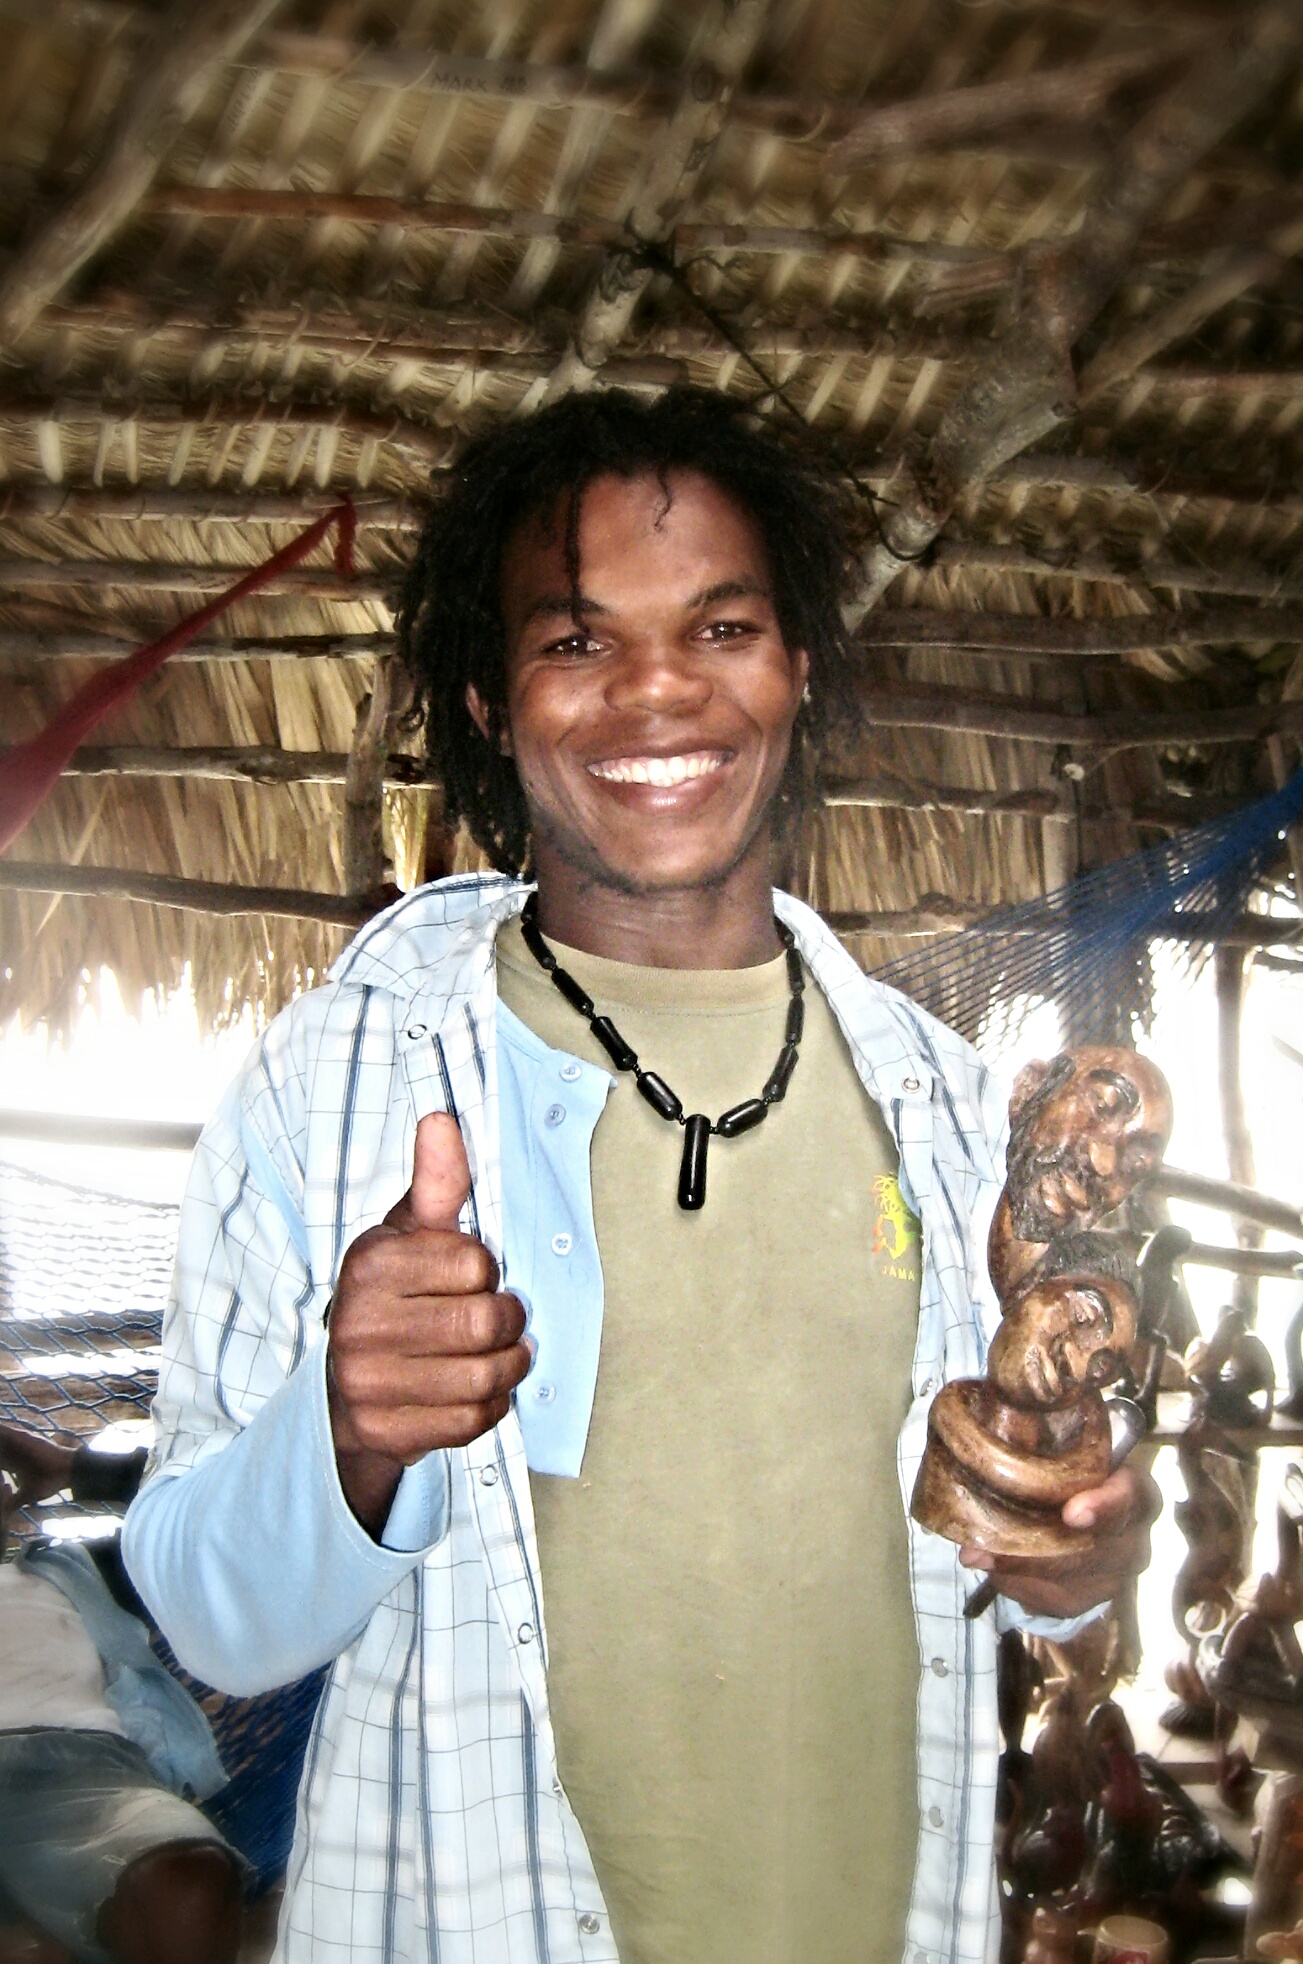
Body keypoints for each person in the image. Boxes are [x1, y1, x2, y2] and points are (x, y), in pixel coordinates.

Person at [122, 387, 1158, 1964]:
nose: (658, 692)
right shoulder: (334, 1084)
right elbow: (210, 1621)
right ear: (490, 701)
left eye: (720, 628)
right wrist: (345, 1434)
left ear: (796, 668)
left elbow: (1026, 1585)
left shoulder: (948, 1111)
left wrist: (1076, 1557)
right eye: (576, 641)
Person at [0, 1423, 241, 1964]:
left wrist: (73, 1467)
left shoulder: (75, 1571)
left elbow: (228, 1514)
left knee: (187, 1885)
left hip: (90, 1782)